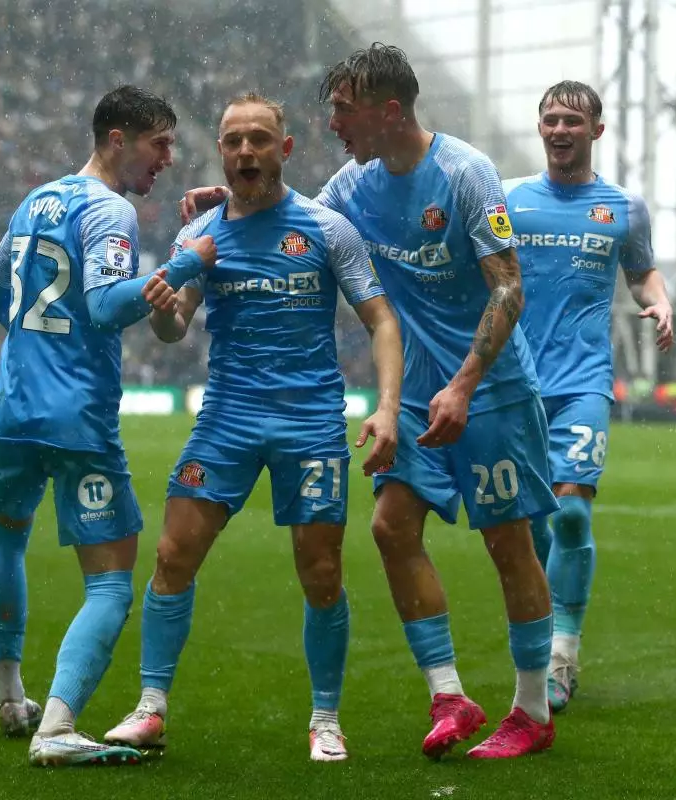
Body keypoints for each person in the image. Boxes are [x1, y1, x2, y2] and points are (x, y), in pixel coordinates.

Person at [181, 44, 559, 760]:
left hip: (491, 390)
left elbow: (509, 287)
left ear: (389, 112)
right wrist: (228, 201)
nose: (333, 124)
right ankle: (449, 695)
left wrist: (464, 384)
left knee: (508, 545)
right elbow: (291, 218)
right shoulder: (352, 184)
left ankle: (532, 710)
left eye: (343, 110)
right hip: (414, 395)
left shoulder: (465, 173)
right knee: (391, 528)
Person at [104, 92, 402, 763]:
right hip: (227, 419)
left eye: (259, 139)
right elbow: (173, 328)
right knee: (172, 555)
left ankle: (325, 719)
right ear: (221, 150)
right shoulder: (199, 235)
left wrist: (387, 408)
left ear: (284, 149)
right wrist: (163, 307)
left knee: (320, 572)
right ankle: (150, 707)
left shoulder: (325, 229)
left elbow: (381, 319)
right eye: (234, 140)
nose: (246, 151)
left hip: (310, 422)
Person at [0, 85, 216, 767]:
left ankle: (9, 696)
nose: (166, 159)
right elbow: (109, 307)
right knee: (110, 582)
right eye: (159, 144)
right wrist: (188, 262)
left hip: (11, 408)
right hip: (75, 417)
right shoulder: (110, 209)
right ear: (118, 139)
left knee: (8, 540)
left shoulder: (36, 200)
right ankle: (56, 727)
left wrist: (38, 346)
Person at [503, 80, 674, 713]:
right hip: (514, 385)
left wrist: (660, 301)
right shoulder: (507, 199)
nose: (560, 129)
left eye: (572, 121)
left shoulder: (623, 207)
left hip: (583, 382)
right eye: (550, 119)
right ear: (539, 128)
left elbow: (642, 270)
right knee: (531, 527)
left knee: (572, 514)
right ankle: (549, 629)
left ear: (596, 130)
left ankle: (562, 656)